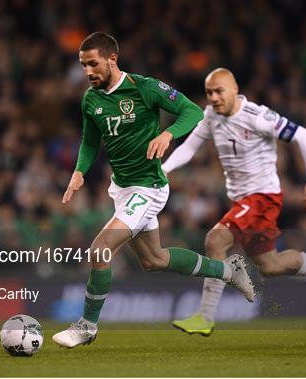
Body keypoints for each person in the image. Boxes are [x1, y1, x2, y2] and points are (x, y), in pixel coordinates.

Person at [52, 34, 255, 348]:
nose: (88, 71)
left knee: (100, 250)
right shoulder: (90, 99)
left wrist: (168, 135)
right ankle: (229, 271)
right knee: (154, 260)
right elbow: (91, 141)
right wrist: (79, 171)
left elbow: (193, 112)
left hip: (148, 188)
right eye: (83, 65)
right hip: (121, 188)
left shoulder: (144, 88)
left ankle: (87, 326)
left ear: (111, 59)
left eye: (93, 63)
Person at [162, 68, 306, 336]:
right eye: (209, 92)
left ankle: (205, 317)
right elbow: (189, 148)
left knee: (215, 240)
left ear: (234, 88)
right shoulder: (211, 115)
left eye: (219, 91)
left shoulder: (257, 116)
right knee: (270, 265)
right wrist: (164, 170)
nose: (214, 97)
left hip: (262, 197)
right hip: (242, 200)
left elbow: (305, 136)